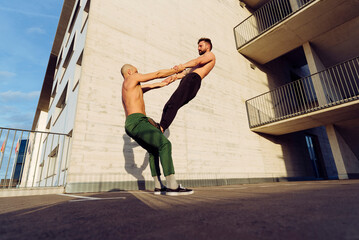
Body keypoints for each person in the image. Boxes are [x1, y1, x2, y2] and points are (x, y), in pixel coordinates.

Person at [121, 64, 193, 196]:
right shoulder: (131, 78)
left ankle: (158, 186)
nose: (139, 73)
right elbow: (157, 74)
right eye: (137, 71)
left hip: (130, 124)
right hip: (138, 121)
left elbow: (159, 83)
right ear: (130, 72)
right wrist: (177, 69)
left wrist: (177, 77)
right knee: (165, 144)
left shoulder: (130, 89)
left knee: (153, 150)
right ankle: (172, 186)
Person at [159, 38, 216, 132]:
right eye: (198, 46)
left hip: (193, 80)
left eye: (201, 46)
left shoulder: (210, 55)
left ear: (208, 46)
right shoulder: (197, 66)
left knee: (173, 104)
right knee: (169, 105)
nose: (198, 48)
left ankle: (161, 128)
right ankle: (161, 128)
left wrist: (181, 66)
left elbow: (197, 61)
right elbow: (185, 73)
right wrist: (172, 78)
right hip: (189, 79)